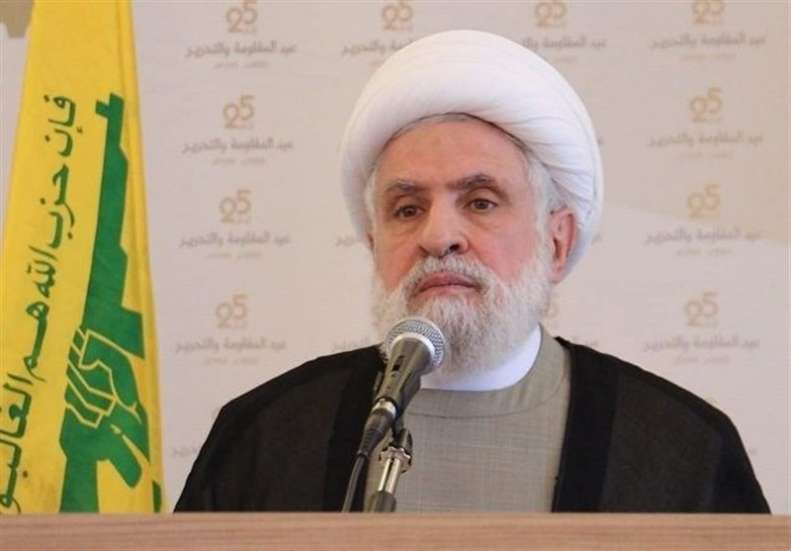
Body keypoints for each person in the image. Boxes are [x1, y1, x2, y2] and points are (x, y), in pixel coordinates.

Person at [175, 30, 768, 513]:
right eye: (408, 209)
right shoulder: (269, 433)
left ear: (556, 241)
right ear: (374, 244)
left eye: (480, 202)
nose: (439, 236)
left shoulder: (680, 446)